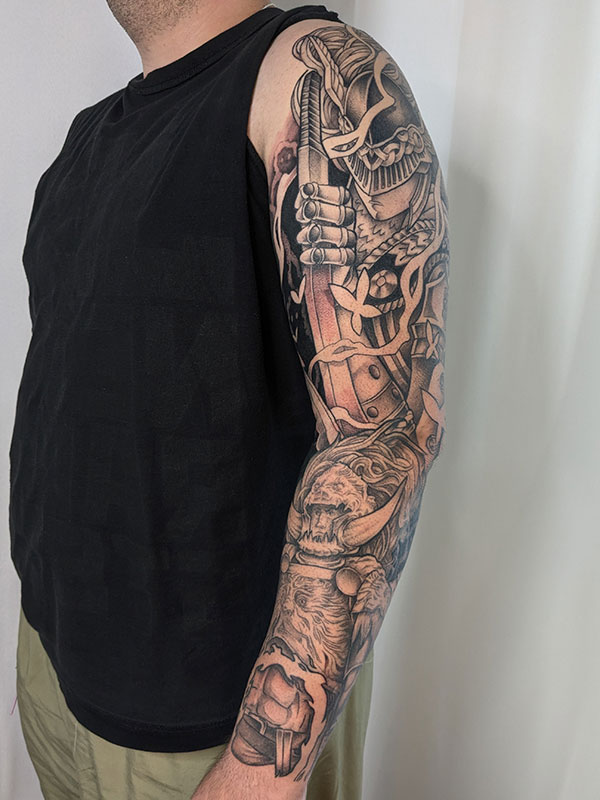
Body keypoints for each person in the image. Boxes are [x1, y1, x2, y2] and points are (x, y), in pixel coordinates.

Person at [9, 1, 449, 798]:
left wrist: (264, 763)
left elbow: (382, 438)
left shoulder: (310, 73)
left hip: (215, 730)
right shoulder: (89, 138)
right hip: (57, 665)